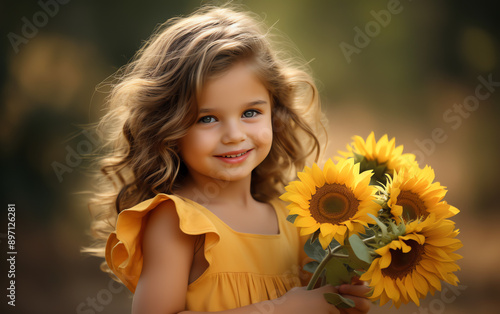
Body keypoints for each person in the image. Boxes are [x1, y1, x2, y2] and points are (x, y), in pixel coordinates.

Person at [86, 4, 371, 314]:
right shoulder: (178, 222)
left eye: (250, 113)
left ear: (275, 113)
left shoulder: (295, 220)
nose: (234, 134)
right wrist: (284, 308)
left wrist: (341, 297)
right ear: (170, 128)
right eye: (207, 119)